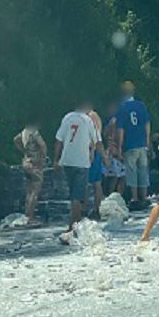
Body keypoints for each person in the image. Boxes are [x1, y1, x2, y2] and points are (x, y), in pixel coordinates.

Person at [54, 101, 107, 236]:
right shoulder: (87, 120)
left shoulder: (67, 118)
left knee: (73, 193)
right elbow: (97, 141)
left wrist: (56, 159)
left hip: (67, 160)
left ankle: (74, 222)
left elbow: (58, 140)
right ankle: (74, 225)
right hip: (82, 161)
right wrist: (104, 157)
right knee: (77, 195)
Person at [116, 80, 151, 209]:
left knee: (131, 171)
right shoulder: (141, 105)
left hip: (129, 144)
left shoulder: (122, 108)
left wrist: (119, 147)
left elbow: (120, 129)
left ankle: (135, 197)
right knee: (143, 170)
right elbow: (147, 123)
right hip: (142, 143)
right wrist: (147, 140)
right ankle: (145, 196)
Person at [14, 121, 47, 226]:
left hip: (25, 162)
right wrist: (43, 159)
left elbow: (15, 140)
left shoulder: (23, 133)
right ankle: (30, 216)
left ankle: (26, 215)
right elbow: (43, 145)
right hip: (34, 164)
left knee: (29, 190)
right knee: (35, 190)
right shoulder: (34, 132)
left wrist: (23, 150)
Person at [102, 102, 125, 196]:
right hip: (114, 150)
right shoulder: (116, 121)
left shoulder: (111, 121)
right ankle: (114, 196)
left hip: (111, 149)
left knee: (116, 176)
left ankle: (112, 196)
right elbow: (118, 135)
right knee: (117, 176)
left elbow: (104, 134)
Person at [87, 107, 106, 219]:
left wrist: (92, 151)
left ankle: (95, 209)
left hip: (92, 151)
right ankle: (94, 208)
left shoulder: (92, 116)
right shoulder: (92, 116)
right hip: (92, 150)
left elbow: (96, 136)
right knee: (95, 182)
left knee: (95, 182)